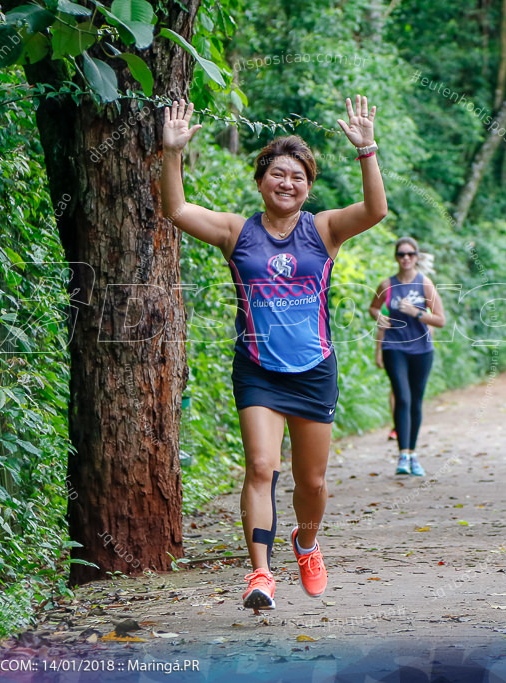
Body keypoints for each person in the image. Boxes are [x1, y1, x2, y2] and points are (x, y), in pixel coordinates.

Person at [161, 96, 387, 611]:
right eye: (278, 174)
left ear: (308, 188)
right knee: (261, 467)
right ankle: (260, 575)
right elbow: (176, 210)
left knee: (312, 481)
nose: (287, 183)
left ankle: (306, 544)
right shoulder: (235, 232)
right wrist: (172, 152)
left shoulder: (324, 230)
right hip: (258, 369)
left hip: (314, 370)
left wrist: (366, 149)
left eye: (298, 177)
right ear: (261, 180)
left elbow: (376, 210)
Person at [369, 237, 446, 476]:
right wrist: (377, 317)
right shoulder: (387, 284)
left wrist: (417, 312)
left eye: (410, 254)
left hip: (421, 349)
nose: (406, 258)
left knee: (415, 399)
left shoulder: (425, 284)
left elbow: (441, 320)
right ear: (396, 257)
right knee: (401, 397)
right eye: (401, 254)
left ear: (417, 257)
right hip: (394, 347)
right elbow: (373, 307)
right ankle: (403, 455)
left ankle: (413, 454)